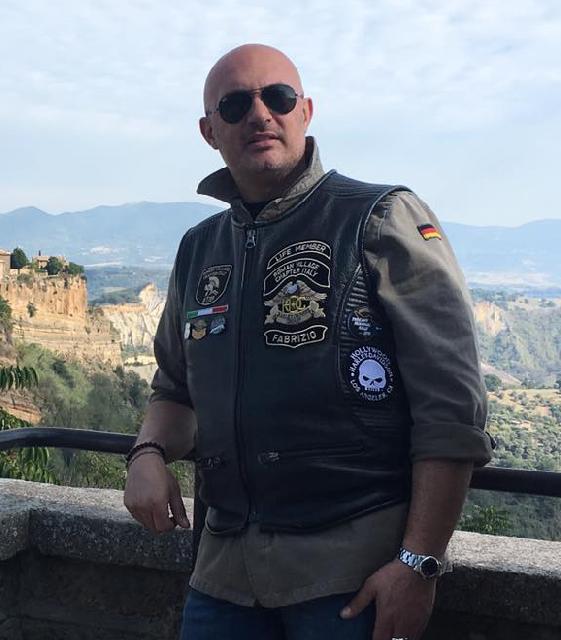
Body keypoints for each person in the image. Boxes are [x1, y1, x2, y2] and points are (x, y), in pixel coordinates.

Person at [124, 43, 493, 640]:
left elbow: (449, 408)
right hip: (223, 575)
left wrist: (419, 562)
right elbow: (175, 387)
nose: (260, 114)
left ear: (306, 111)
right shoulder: (200, 248)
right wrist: (146, 454)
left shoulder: (379, 218)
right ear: (209, 130)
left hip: (350, 575)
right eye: (235, 104)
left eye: (278, 97)